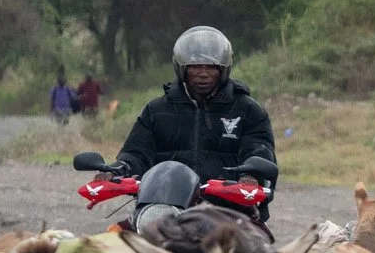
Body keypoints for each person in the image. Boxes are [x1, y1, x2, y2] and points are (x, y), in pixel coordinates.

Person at [114, 26, 275, 193]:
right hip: (165, 203)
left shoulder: (248, 110)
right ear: (182, 69)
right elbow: (136, 153)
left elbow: (259, 152)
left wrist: (251, 176)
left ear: (223, 70)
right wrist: (119, 169)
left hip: (229, 207)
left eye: (211, 67)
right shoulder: (156, 110)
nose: (203, 73)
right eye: (195, 66)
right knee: (125, 221)